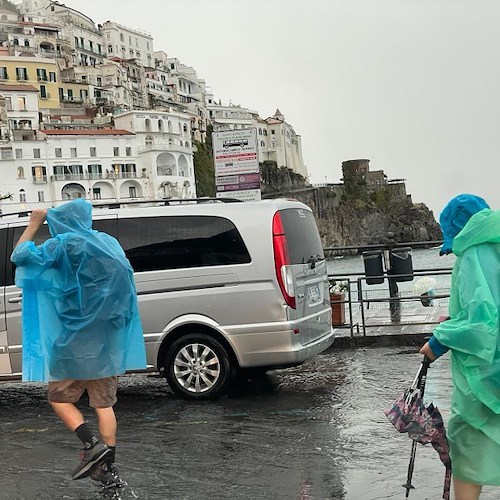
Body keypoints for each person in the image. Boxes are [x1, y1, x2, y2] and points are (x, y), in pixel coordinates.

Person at [10, 199, 147, 484]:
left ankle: (90, 445)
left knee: (58, 397)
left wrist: (34, 223)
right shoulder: (108, 242)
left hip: (75, 336)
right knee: (104, 403)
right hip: (108, 337)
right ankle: (107, 467)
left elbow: (19, 256)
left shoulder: (63, 245)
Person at [419, 194, 500, 500]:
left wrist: (438, 341)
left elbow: (481, 325)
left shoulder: (471, 257)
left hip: (483, 375)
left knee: (466, 446)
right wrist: (455, 320)